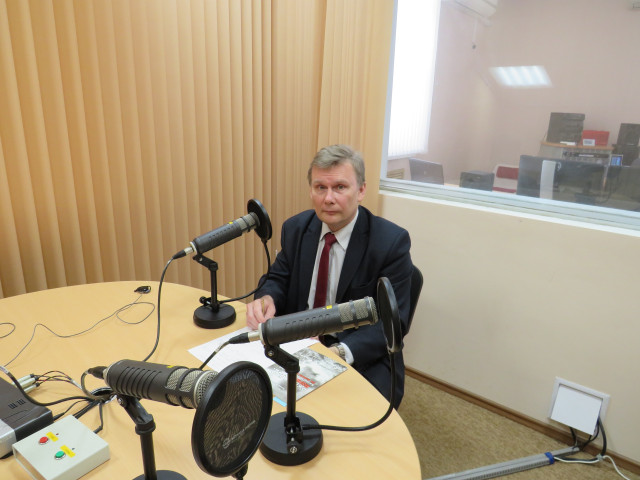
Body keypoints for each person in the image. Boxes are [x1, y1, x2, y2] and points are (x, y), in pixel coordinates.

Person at [246, 144, 413, 407]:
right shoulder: (296, 228)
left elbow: (392, 323)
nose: (328, 198)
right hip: (298, 340)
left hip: (357, 351)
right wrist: (267, 298)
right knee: (252, 397)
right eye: (320, 187)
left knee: (350, 419)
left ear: (361, 191)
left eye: (340, 187)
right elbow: (278, 277)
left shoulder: (390, 242)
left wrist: (338, 352)